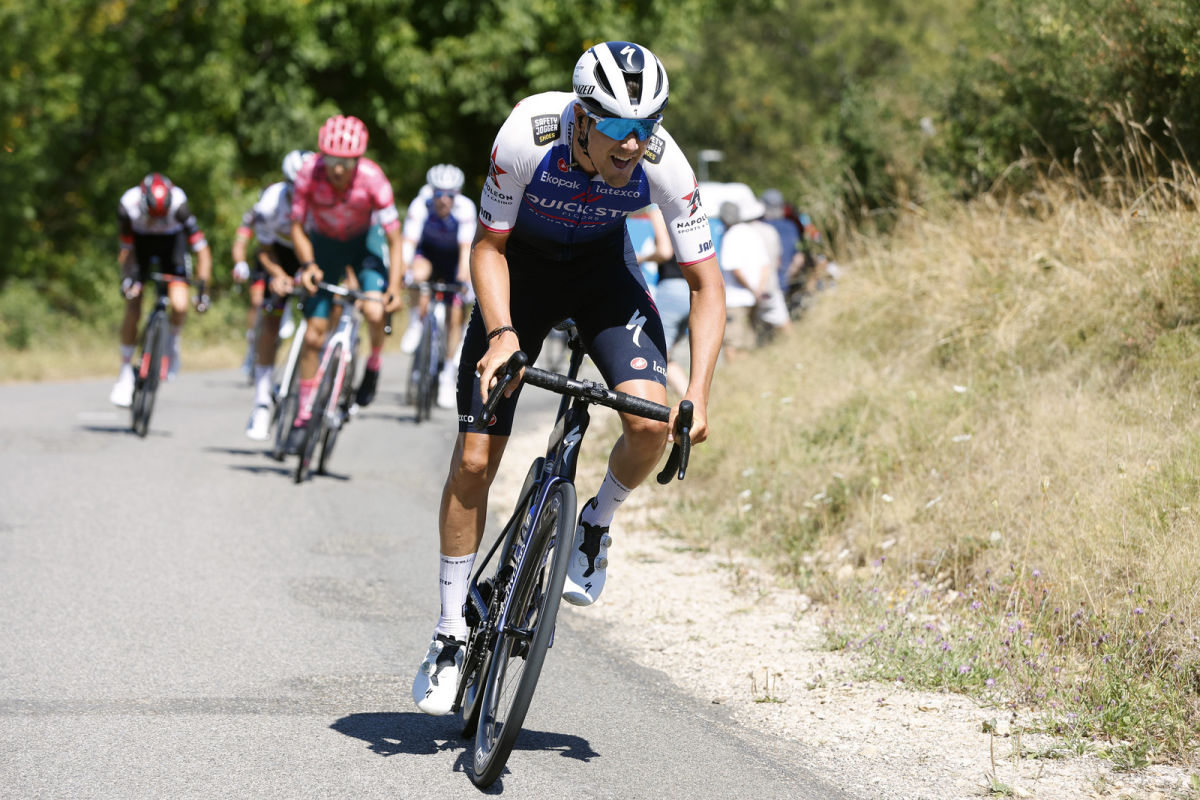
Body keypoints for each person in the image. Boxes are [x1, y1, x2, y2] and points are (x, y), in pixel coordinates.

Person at [410, 41, 726, 716]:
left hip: (601, 276)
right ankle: (446, 633)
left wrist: (698, 390)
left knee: (649, 424)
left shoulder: (663, 163)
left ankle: (593, 523)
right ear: (581, 116)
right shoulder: (529, 134)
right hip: (519, 272)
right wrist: (501, 336)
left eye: (647, 126)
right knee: (473, 458)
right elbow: (487, 246)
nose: (631, 144)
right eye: (615, 127)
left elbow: (706, 284)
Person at [283, 115, 405, 454]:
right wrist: (307, 264)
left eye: (346, 162)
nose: (338, 169)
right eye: (332, 160)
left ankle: (374, 363)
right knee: (312, 334)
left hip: (364, 243)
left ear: (358, 159)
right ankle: (304, 414)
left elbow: (395, 240)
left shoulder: (373, 178)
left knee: (373, 308)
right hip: (323, 245)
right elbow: (295, 225)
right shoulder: (309, 172)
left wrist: (394, 286)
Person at [109, 173, 212, 406]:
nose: (156, 220)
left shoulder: (179, 206)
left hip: (171, 246)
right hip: (141, 246)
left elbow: (202, 251)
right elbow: (126, 249)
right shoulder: (127, 206)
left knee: (179, 304)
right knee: (133, 303)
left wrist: (203, 288)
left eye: (160, 216)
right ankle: (125, 371)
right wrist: (128, 279)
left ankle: (172, 344)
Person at [236, 149, 314, 440]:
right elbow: (263, 250)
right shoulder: (270, 203)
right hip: (278, 256)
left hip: (313, 255)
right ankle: (261, 402)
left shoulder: (322, 201)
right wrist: (279, 275)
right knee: (270, 318)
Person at [392, 164, 477, 408]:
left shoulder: (465, 209)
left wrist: (462, 280)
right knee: (417, 275)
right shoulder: (421, 205)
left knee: (455, 313)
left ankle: (448, 374)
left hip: (453, 261)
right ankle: (416, 323)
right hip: (427, 254)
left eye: (450, 194)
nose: (444, 200)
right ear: (432, 193)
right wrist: (405, 273)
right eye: (439, 193)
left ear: (456, 194)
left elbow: (465, 252)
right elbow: (409, 242)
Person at [638, 205, 690, 397]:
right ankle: (688, 401)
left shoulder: (657, 209)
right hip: (690, 288)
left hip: (672, 289)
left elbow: (665, 251)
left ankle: (655, 403)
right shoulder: (685, 209)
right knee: (666, 355)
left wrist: (641, 258)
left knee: (655, 353)